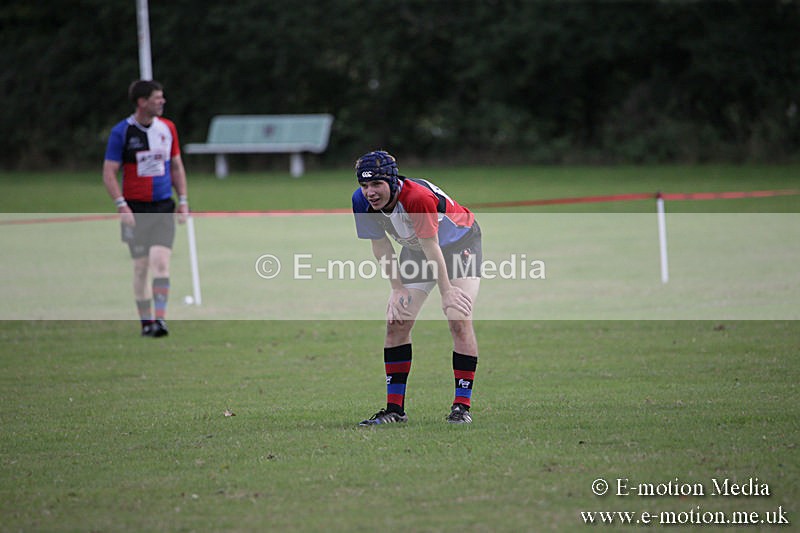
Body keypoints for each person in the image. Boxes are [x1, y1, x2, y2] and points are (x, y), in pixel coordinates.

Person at [352, 150, 482, 425]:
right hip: (418, 248)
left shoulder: (416, 198)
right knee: (397, 322)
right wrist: (397, 288)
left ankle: (461, 406)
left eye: (376, 184)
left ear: (391, 180)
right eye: (364, 185)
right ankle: (394, 410)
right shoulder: (360, 202)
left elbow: (432, 246)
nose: (369, 192)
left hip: (460, 245)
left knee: (458, 318)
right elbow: (381, 246)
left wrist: (447, 291)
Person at [102, 80, 189, 337]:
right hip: (136, 209)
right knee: (141, 266)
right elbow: (109, 173)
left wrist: (182, 200)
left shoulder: (168, 129)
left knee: (160, 262)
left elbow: (176, 166)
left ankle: (160, 320)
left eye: (162, 97)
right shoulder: (123, 133)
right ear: (141, 102)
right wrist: (121, 205)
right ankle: (145, 322)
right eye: (156, 98)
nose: (162, 102)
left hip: (162, 207)